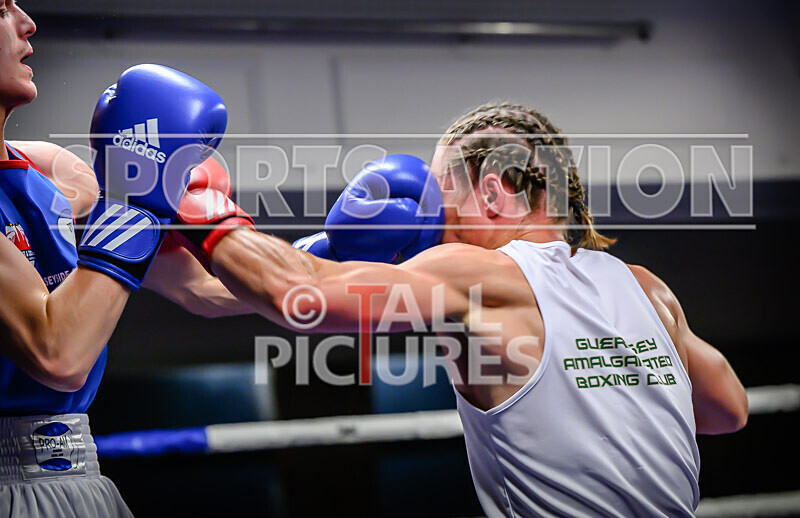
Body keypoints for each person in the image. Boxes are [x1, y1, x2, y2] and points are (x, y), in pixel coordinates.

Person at [173, 102, 749, 517]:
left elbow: (294, 296)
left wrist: (195, 198)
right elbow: (727, 410)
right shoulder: (646, 288)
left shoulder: (475, 274)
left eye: (440, 195)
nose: (430, 218)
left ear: (494, 193)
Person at [0, 2, 235, 513]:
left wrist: (334, 257)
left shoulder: (49, 170)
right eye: (0, 8)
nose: (26, 22)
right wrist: (141, 204)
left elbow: (201, 288)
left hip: (79, 479)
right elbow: (57, 354)